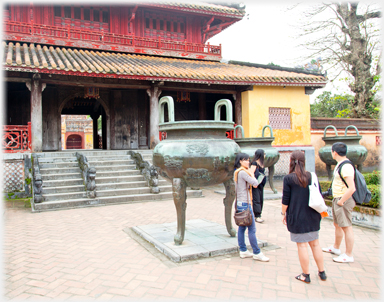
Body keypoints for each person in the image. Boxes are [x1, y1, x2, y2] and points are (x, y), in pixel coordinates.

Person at [281, 150, 326, 283]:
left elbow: (285, 200)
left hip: (297, 217)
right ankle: (322, 272)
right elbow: (319, 194)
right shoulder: (312, 176)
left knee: (302, 246)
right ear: (304, 161)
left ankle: (305, 275)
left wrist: (283, 214)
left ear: (291, 161)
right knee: (315, 244)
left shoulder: (288, 179)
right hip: (313, 215)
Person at [322, 142, 356, 263]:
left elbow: (352, 188)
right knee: (338, 225)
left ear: (334, 152)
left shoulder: (346, 166)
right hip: (338, 198)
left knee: (347, 227)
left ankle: (348, 254)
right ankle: (336, 248)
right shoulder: (340, 164)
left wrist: (341, 201)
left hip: (343, 199)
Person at [234, 152, 269, 262]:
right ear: (240, 161)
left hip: (240, 202)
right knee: (252, 229)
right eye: (245, 160)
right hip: (245, 203)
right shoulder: (243, 173)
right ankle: (257, 252)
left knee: (242, 227)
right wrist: (252, 173)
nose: (248, 162)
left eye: (248, 160)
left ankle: (243, 250)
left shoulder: (237, 172)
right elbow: (255, 183)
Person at [250, 149, 267, 223]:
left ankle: (259, 213)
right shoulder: (254, 163)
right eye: (264, 153)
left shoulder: (262, 163)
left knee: (260, 199)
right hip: (256, 185)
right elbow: (251, 172)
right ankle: (257, 215)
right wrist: (254, 182)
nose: (265, 155)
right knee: (256, 199)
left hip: (261, 184)